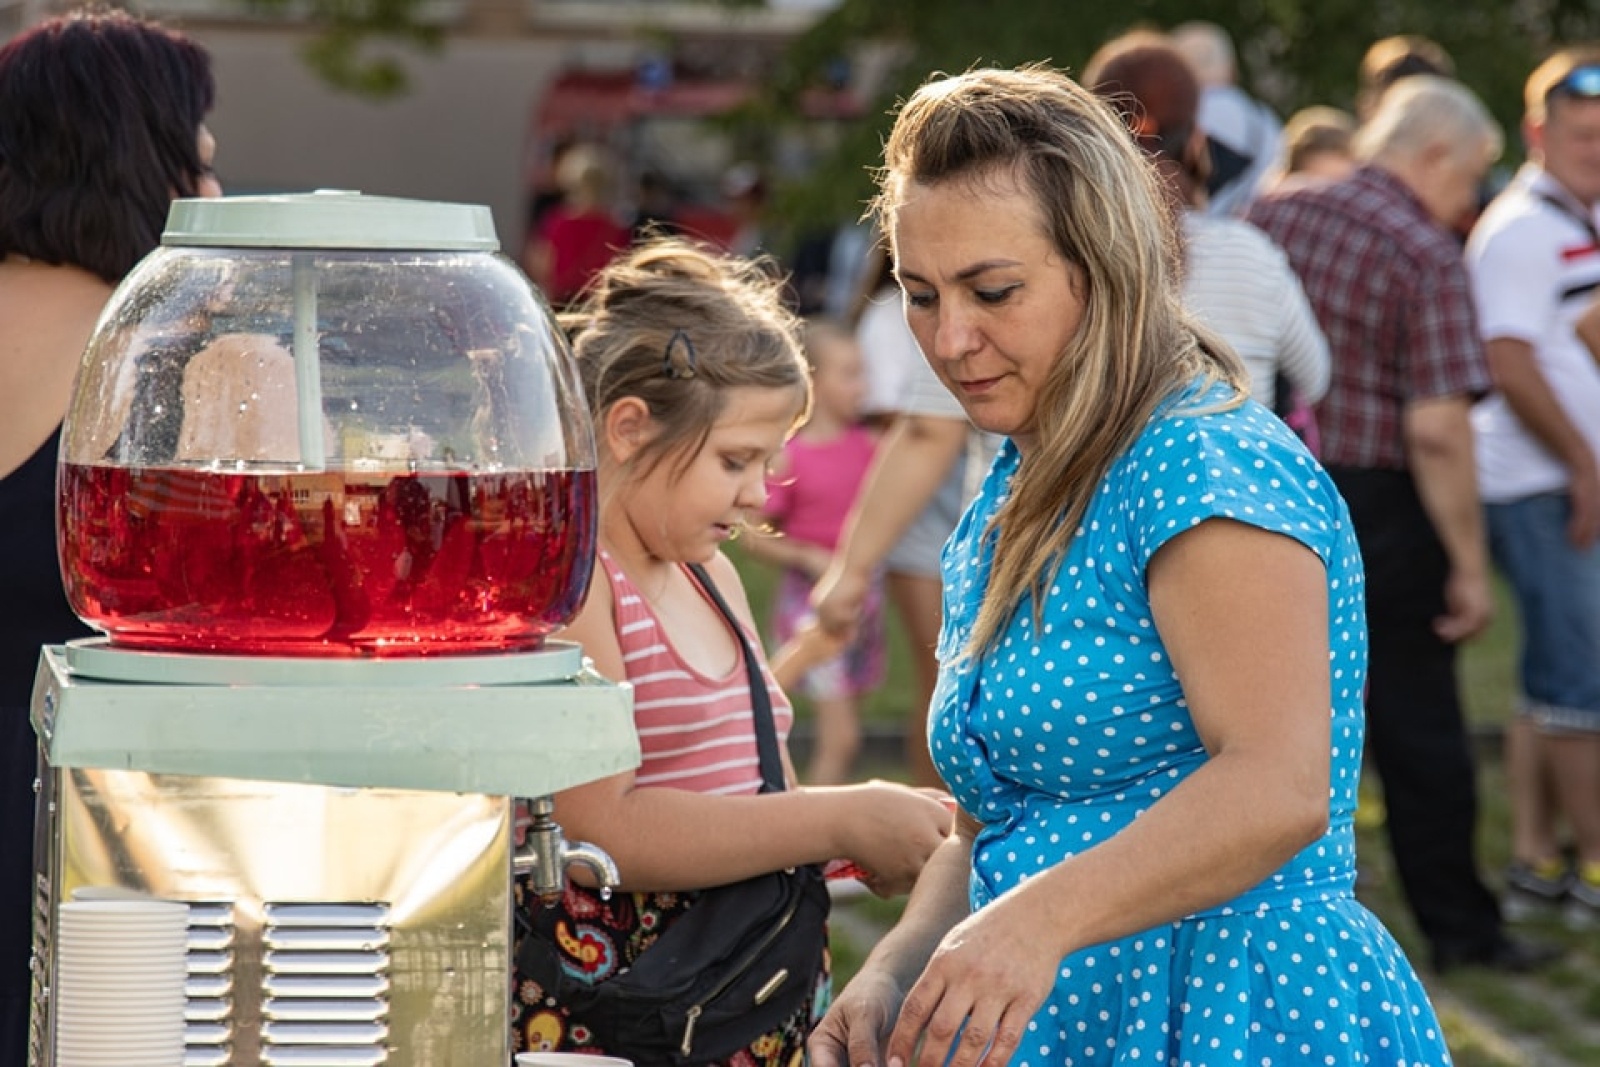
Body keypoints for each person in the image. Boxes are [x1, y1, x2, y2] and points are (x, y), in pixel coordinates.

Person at [807, 64, 1449, 1067]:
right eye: (919, 295)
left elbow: (1277, 786)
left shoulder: (1202, 464)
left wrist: (1029, 927)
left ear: (1103, 265)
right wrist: (895, 962)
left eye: (992, 291)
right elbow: (993, 821)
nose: (949, 338)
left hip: (1231, 1009)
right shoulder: (1024, 476)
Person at [508, 237, 953, 1062]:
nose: (759, 491)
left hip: (738, 1003)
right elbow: (601, 829)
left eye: (770, 459)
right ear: (631, 428)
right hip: (631, 1020)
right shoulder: (578, 585)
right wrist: (838, 813)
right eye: (735, 459)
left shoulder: (709, 574)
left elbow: (759, 790)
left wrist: (854, 836)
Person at [1249, 76, 1558, 973]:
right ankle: (1460, 930)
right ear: (1431, 155)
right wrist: (1467, 561)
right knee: (1421, 727)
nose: (1470, 204)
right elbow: (1436, 427)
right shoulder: (1423, 250)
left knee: (1274, 720)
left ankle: (1279, 930)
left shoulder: (1275, 211)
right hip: (1382, 501)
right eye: (1469, 180)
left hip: (1270, 486)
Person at [0, 7, 220, 1060]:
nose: (219, 196)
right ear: (146, 162)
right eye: (203, 163)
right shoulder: (176, 351)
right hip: (84, 837)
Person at [1465, 47, 1600, 928]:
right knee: (1581, 685)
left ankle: (1533, 862)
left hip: (1570, 484)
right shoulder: (1516, 228)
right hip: (1543, 488)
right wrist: (1585, 466)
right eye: (1584, 135)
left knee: (1550, 681)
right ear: (1538, 133)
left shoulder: (1579, 214)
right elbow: (1509, 361)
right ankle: (1593, 870)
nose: (1599, 148)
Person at [1083, 31, 1329, 416]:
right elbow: (1315, 378)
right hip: (1238, 472)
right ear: (1195, 139)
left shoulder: (1071, 250)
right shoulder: (1250, 253)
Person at [742, 320, 885, 785]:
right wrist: (809, 559)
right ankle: (814, 841)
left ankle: (832, 832)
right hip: (814, 605)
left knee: (849, 732)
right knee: (839, 740)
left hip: (864, 602)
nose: (862, 386)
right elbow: (753, 535)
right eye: (850, 374)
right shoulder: (792, 458)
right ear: (815, 383)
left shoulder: (872, 447)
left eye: (864, 373)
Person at [1171, 20, 1282, 218]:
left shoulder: (1177, 118)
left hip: (1182, 236)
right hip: (1248, 237)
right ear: (1232, 68)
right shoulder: (1264, 119)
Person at [523, 142, 631, 308]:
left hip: (560, 302)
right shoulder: (615, 227)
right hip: (596, 305)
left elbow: (542, 264)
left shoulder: (559, 221)